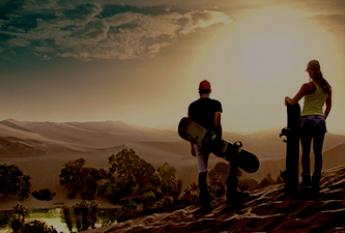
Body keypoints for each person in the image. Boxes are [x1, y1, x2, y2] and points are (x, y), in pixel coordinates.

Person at [188, 80, 242, 212]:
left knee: (202, 171)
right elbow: (217, 123)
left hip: (199, 142)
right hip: (213, 141)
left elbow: (189, 128)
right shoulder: (216, 104)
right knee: (233, 158)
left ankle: (205, 205)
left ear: (199, 91)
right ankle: (231, 194)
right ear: (210, 91)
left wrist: (191, 146)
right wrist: (219, 140)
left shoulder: (192, 106)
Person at [285, 59, 332, 194]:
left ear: (311, 71)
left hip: (307, 121)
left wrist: (286, 98)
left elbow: (293, 101)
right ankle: (316, 182)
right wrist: (322, 118)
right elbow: (329, 106)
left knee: (305, 153)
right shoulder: (327, 87)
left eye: (309, 71)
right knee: (318, 153)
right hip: (320, 121)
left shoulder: (307, 86)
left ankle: (306, 181)